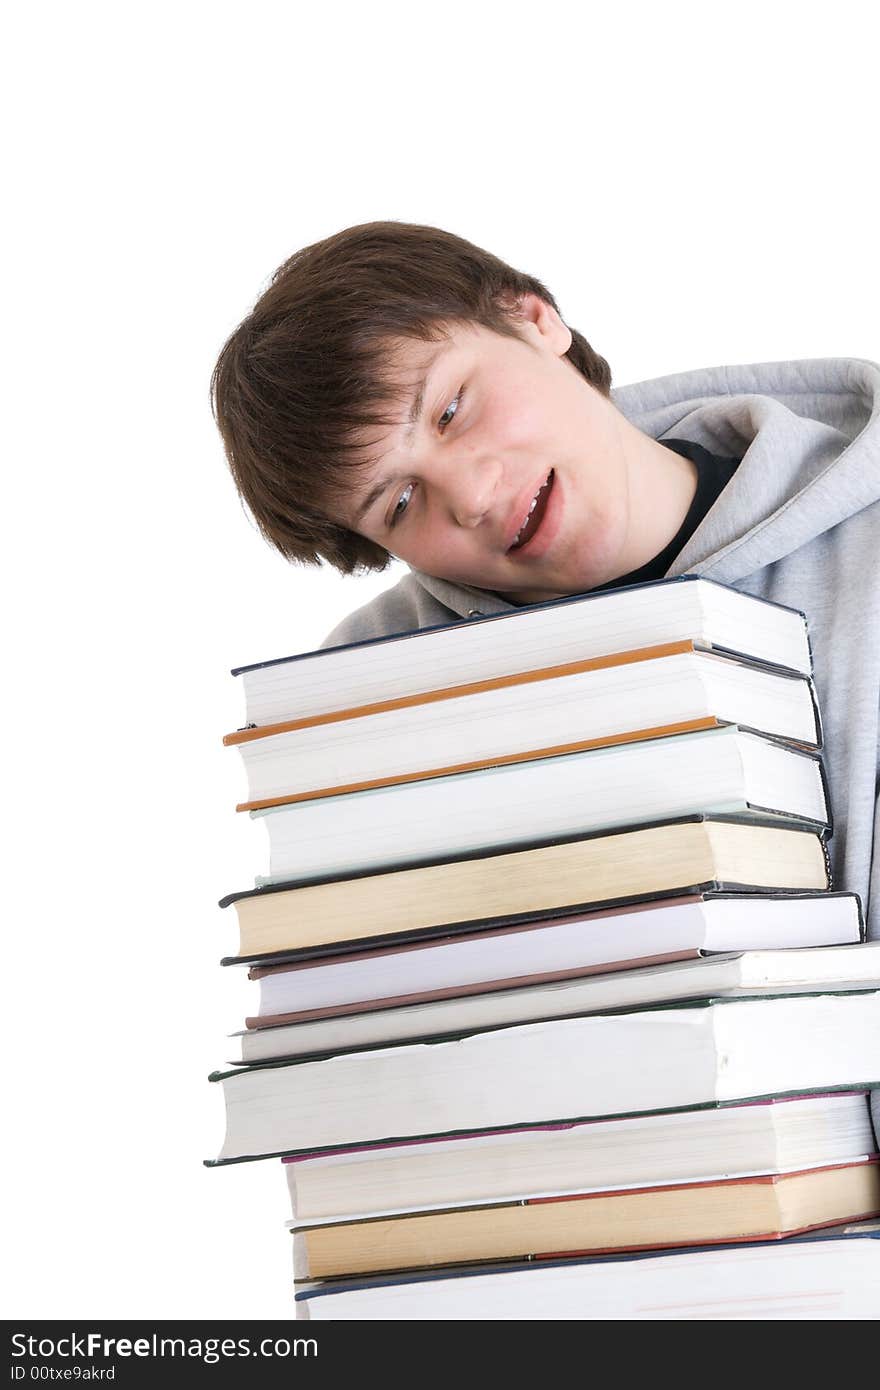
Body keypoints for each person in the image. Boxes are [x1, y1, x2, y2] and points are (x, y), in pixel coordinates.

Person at [212, 222, 880, 1133]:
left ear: (534, 320)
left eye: (451, 410)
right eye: (400, 503)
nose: (474, 495)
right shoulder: (371, 705)